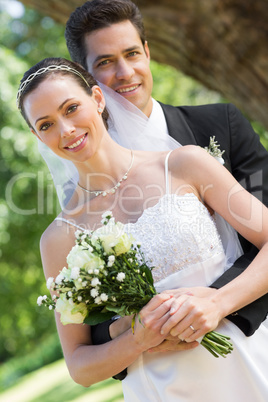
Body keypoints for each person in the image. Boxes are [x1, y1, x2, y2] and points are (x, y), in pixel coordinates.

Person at [17, 57, 268, 401]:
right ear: (36, 135)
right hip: (160, 387)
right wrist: (137, 338)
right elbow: (79, 366)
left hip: (244, 360)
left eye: (71, 108)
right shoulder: (59, 238)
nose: (66, 130)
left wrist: (219, 303)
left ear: (98, 99)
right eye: (46, 125)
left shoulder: (184, 163)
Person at [64, 0, 268, 358]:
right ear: (85, 80)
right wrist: (140, 328)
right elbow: (91, 325)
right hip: (164, 369)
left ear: (147, 51)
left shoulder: (222, 125)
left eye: (131, 53)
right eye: (106, 62)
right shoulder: (80, 194)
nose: (125, 72)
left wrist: (214, 302)